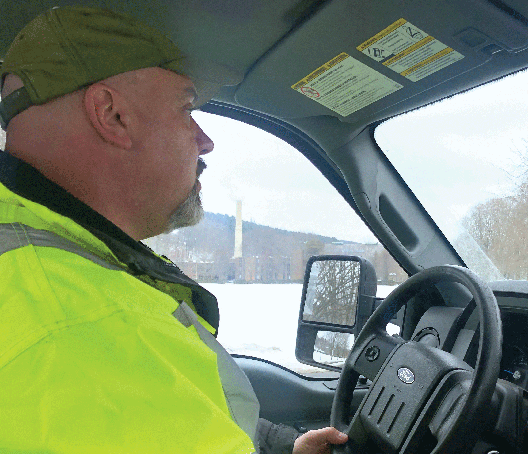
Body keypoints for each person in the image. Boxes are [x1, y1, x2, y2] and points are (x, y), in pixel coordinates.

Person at [0, 6, 348, 454]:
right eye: (186, 108)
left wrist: (284, 448)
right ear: (111, 114)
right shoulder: (82, 329)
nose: (205, 140)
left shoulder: (59, 266)